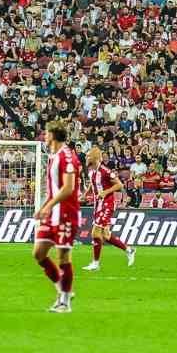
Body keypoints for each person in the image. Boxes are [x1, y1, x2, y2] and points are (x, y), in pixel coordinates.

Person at [32, 123, 80, 313]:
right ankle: (62, 288)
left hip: (66, 213)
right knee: (38, 253)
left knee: (63, 256)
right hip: (52, 212)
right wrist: (44, 207)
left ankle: (65, 302)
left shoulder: (67, 157)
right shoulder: (53, 156)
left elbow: (68, 188)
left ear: (53, 135)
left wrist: (49, 206)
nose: (44, 136)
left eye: (46, 133)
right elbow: (54, 189)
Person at [82, 146, 134, 272]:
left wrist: (105, 192)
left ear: (94, 158)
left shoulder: (105, 171)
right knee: (105, 235)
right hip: (97, 204)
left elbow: (119, 184)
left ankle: (95, 263)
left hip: (107, 204)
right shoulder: (91, 171)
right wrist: (85, 194)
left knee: (95, 232)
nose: (86, 157)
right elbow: (92, 184)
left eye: (88, 156)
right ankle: (129, 250)